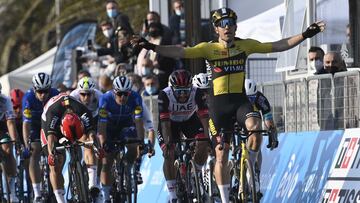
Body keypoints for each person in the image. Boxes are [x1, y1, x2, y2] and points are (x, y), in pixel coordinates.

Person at [131, 7, 325, 202]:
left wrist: (305, 34)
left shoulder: (245, 45)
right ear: (216, 29)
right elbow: (179, 51)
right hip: (218, 106)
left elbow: (277, 45)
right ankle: (224, 198)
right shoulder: (209, 48)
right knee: (221, 155)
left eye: (231, 24)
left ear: (235, 27)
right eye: (223, 24)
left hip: (240, 102)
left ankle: (249, 173)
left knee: (255, 130)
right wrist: (151, 46)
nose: (227, 28)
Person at [98, 76, 153, 202]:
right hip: (109, 128)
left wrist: (140, 142)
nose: (123, 97)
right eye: (119, 94)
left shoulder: (135, 98)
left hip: (126, 126)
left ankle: (128, 169)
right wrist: (103, 143)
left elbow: (139, 122)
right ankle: (106, 197)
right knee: (107, 161)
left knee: (133, 146)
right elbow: (101, 126)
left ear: (130, 92)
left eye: (126, 94)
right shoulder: (105, 99)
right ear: (114, 92)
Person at [157, 70, 209, 202]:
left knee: (203, 142)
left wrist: (207, 137)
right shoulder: (164, 95)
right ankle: (172, 193)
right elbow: (165, 125)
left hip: (189, 121)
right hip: (170, 123)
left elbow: (204, 116)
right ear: (172, 89)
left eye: (186, 90)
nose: (183, 95)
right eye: (179, 91)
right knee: (168, 153)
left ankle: (195, 173)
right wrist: (168, 143)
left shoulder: (197, 92)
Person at [40, 93, 98, 203]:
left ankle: (91, 183)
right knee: (56, 164)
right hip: (52, 129)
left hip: (73, 124)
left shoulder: (83, 111)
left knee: (86, 141)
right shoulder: (52, 114)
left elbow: (92, 134)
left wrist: (96, 147)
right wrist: (52, 155)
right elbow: (51, 138)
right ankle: (60, 199)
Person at [22, 72, 59, 202]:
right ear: (34, 89)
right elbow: (26, 124)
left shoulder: (55, 94)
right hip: (35, 126)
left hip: (50, 125)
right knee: (34, 150)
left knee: (55, 150)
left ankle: (57, 188)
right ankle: (37, 192)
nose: (43, 95)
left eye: (46, 91)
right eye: (40, 91)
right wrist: (27, 144)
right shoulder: (28, 98)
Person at [70, 77, 103, 197]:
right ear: (79, 93)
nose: (86, 98)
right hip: (79, 120)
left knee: (97, 144)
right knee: (85, 141)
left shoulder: (100, 96)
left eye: (89, 94)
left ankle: (95, 182)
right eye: (83, 94)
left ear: (93, 93)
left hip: (95, 120)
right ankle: (78, 167)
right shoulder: (73, 97)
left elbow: (104, 119)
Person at [0, 83, 19, 202]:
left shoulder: (5, 100)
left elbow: (10, 123)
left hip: (2, 125)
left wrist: (14, 141)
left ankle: (11, 188)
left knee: (7, 148)